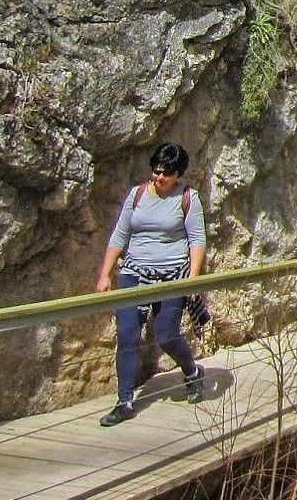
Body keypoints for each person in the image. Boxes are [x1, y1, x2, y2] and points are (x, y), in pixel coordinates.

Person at [96, 142, 207, 426]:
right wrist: (105, 274)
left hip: (172, 276)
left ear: (178, 174)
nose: (159, 178)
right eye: (157, 171)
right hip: (133, 273)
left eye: (167, 174)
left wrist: (192, 281)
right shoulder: (137, 195)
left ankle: (192, 372)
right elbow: (119, 235)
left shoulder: (188, 198)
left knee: (166, 334)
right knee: (128, 336)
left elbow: (197, 241)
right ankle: (124, 402)